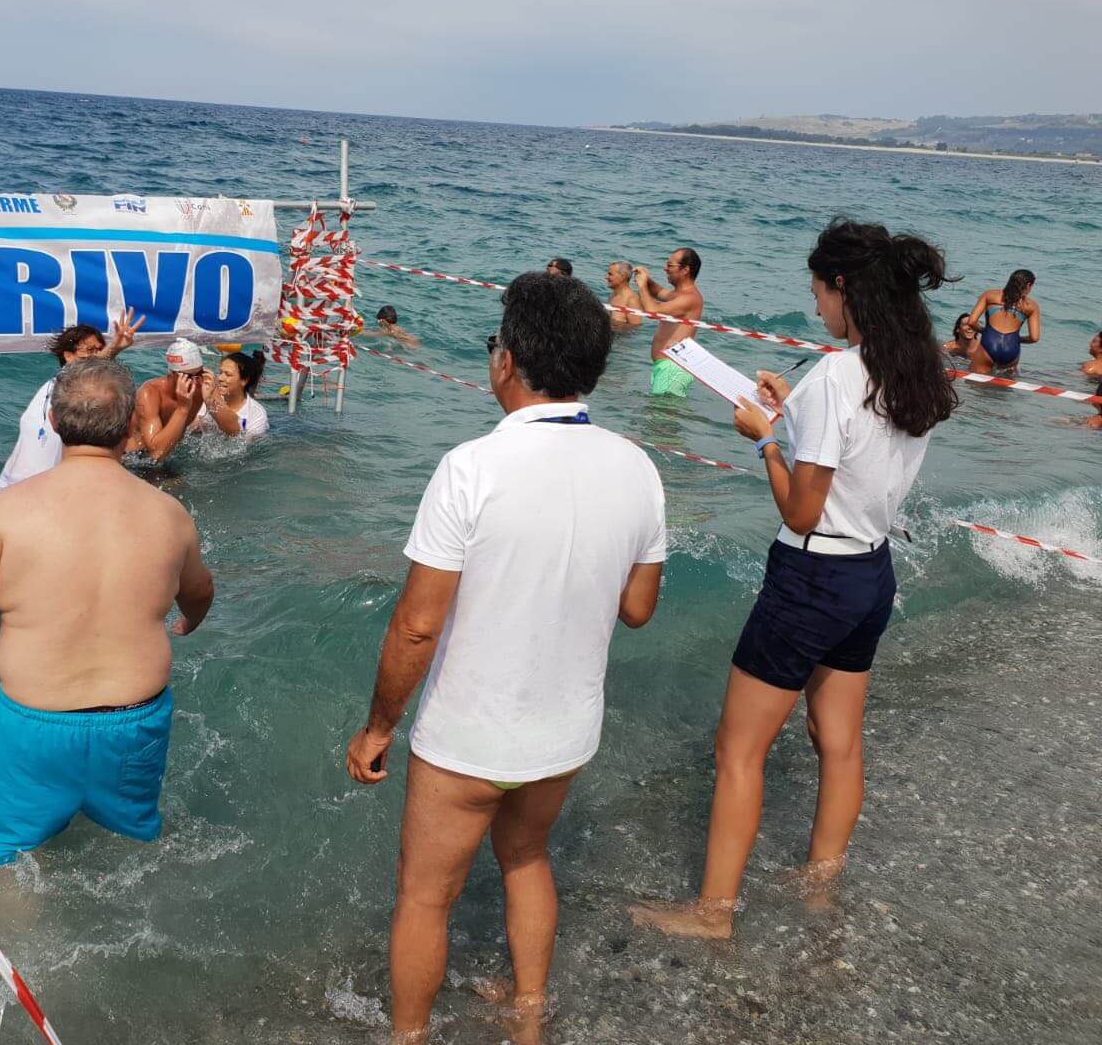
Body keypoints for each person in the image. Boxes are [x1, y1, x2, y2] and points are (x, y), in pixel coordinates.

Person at [345, 273, 666, 1043]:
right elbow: (637, 609)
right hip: (564, 730)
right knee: (526, 857)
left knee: (425, 896)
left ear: (507, 361)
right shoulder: (638, 467)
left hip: (470, 735)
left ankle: (409, 1035)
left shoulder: (471, 468)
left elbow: (418, 627)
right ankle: (528, 1018)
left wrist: (378, 726)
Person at [632, 218, 956, 940]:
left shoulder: (839, 374)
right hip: (871, 571)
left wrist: (766, 440)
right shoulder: (915, 370)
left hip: (812, 575)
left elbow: (803, 508)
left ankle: (713, 912)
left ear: (845, 288)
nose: (814, 307)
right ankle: (821, 879)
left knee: (738, 750)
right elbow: (856, 457)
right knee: (837, 738)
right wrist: (787, 409)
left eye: (817, 292)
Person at [0, 360, 215, 866]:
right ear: (132, 423)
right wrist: (190, 619)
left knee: (7, 855)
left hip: (34, 726)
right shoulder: (168, 514)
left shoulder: (5, 512)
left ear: (55, 421)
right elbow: (198, 592)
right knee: (132, 848)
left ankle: (20, 944)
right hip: (136, 722)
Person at [0, 309, 143, 489]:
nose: (96, 355)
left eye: (99, 349)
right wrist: (114, 348)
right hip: (29, 489)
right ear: (68, 355)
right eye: (90, 350)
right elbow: (85, 371)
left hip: (15, 487)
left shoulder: (60, 390)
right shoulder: (61, 387)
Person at [631, 248, 704, 396]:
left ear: (685, 270)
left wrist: (642, 286)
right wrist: (646, 278)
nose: (665, 268)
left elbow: (653, 311)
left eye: (670, 266)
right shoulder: (678, 294)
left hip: (672, 369)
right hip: (665, 367)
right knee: (659, 415)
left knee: (662, 417)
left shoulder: (689, 297)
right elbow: (658, 292)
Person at [130, 338, 208, 461]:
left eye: (199, 374)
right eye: (187, 376)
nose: (194, 381)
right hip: (136, 458)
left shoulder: (199, 387)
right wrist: (183, 408)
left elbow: (233, 431)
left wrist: (213, 398)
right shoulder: (149, 393)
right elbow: (156, 453)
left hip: (169, 453)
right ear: (171, 374)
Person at [966, 269, 1039, 373]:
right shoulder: (1031, 306)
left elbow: (971, 322)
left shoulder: (990, 295)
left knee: (976, 385)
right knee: (1003, 387)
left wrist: (985, 331)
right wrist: (1017, 339)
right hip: (1012, 349)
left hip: (989, 344)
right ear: (1028, 285)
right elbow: (1034, 338)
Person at [195, 350, 270, 438]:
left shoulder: (257, 415)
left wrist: (213, 396)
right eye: (220, 372)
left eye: (228, 374)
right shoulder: (207, 398)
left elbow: (240, 444)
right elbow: (192, 427)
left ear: (244, 380)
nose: (220, 378)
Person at [605, 260, 642, 330]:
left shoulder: (632, 300)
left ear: (622, 277)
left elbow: (635, 328)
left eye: (610, 274)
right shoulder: (613, 295)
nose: (606, 277)